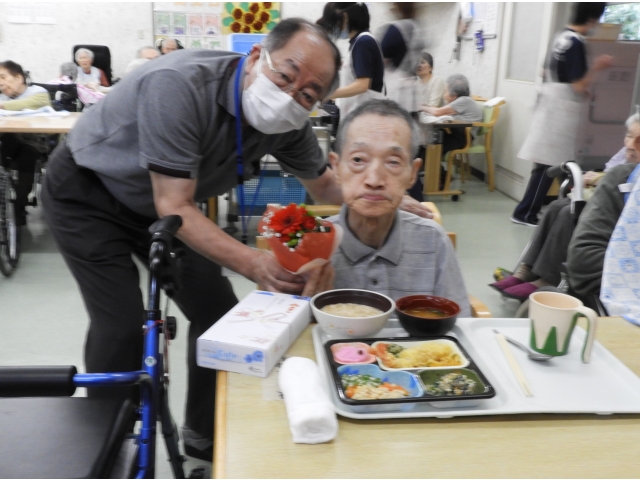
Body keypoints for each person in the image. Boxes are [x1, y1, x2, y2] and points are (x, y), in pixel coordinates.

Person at [41, 18, 430, 463]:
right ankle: (107, 446)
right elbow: (174, 205)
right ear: (256, 56)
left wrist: (384, 193)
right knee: (122, 323)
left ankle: (203, 435)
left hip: (165, 206)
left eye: (308, 94)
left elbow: (325, 185)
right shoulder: (179, 85)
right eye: (285, 75)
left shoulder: (287, 123)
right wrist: (253, 262)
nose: (291, 94)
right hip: (90, 191)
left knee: (218, 313)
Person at [318, 99, 471, 315]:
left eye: (393, 162)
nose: (374, 180)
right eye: (358, 159)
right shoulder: (314, 244)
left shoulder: (433, 241)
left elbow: (458, 323)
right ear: (336, 168)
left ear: (413, 173)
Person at [491, 113, 640, 301]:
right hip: (601, 197)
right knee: (556, 206)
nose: (630, 145)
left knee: (568, 213)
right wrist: (597, 178)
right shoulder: (624, 154)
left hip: (622, 211)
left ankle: (547, 280)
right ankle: (525, 271)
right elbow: (610, 170)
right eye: (628, 136)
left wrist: (600, 180)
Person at [511, 3, 612, 227]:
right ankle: (527, 213)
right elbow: (578, 85)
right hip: (561, 112)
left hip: (551, 104)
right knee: (551, 165)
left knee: (554, 164)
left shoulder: (561, 37)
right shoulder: (576, 42)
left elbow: (545, 71)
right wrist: (598, 67)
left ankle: (559, 211)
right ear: (592, 19)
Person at [0, 60, 52, 226]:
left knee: (27, 155)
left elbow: (28, 104)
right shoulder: (2, 97)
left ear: (19, 78)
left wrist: (3, 106)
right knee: (8, 140)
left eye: (3, 77)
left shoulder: (38, 92)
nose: (0, 83)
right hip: (8, 144)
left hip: (33, 143)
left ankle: (19, 205)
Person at [324, 2, 385, 118]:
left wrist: (329, 94)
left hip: (365, 115)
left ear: (345, 18)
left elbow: (362, 85)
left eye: (336, 22)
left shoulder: (363, 42)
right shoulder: (358, 42)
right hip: (359, 114)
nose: (336, 27)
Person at [377, 2, 425, 112]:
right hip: (412, 88)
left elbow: (380, 57)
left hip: (395, 90)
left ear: (398, 7)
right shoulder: (418, 27)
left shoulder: (395, 29)